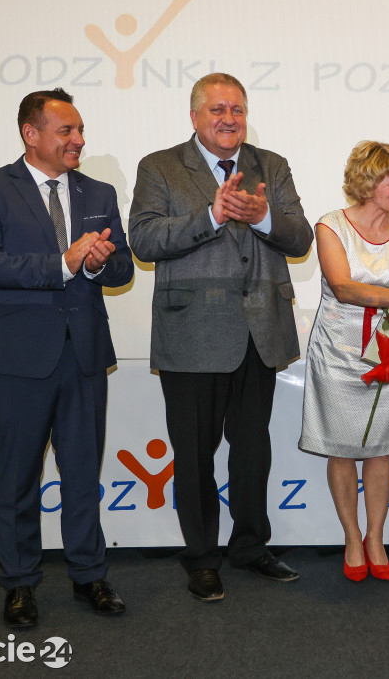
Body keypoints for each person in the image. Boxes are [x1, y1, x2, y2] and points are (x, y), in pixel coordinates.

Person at [128, 72, 314, 602]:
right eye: (217, 110)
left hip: (261, 332)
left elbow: (300, 238)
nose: (229, 119)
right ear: (194, 117)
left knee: (252, 451)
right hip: (192, 334)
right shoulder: (160, 166)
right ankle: (202, 558)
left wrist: (264, 217)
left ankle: (251, 547)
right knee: (194, 455)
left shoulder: (270, 166)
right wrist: (211, 215)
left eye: (237, 109)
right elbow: (143, 239)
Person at [0, 88, 134, 628]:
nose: (78, 140)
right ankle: (19, 584)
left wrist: (98, 263)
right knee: (18, 477)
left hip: (84, 355)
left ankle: (89, 575)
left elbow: (124, 269)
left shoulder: (99, 191)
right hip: (18, 358)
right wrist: (62, 263)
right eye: (67, 131)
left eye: (80, 130)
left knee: (82, 472)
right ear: (30, 134)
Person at [298, 141, 389, 581]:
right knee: (342, 450)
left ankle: (376, 538)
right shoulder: (330, 225)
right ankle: (351, 537)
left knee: (380, 450)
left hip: (388, 352)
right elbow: (343, 288)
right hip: (337, 352)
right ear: (368, 182)